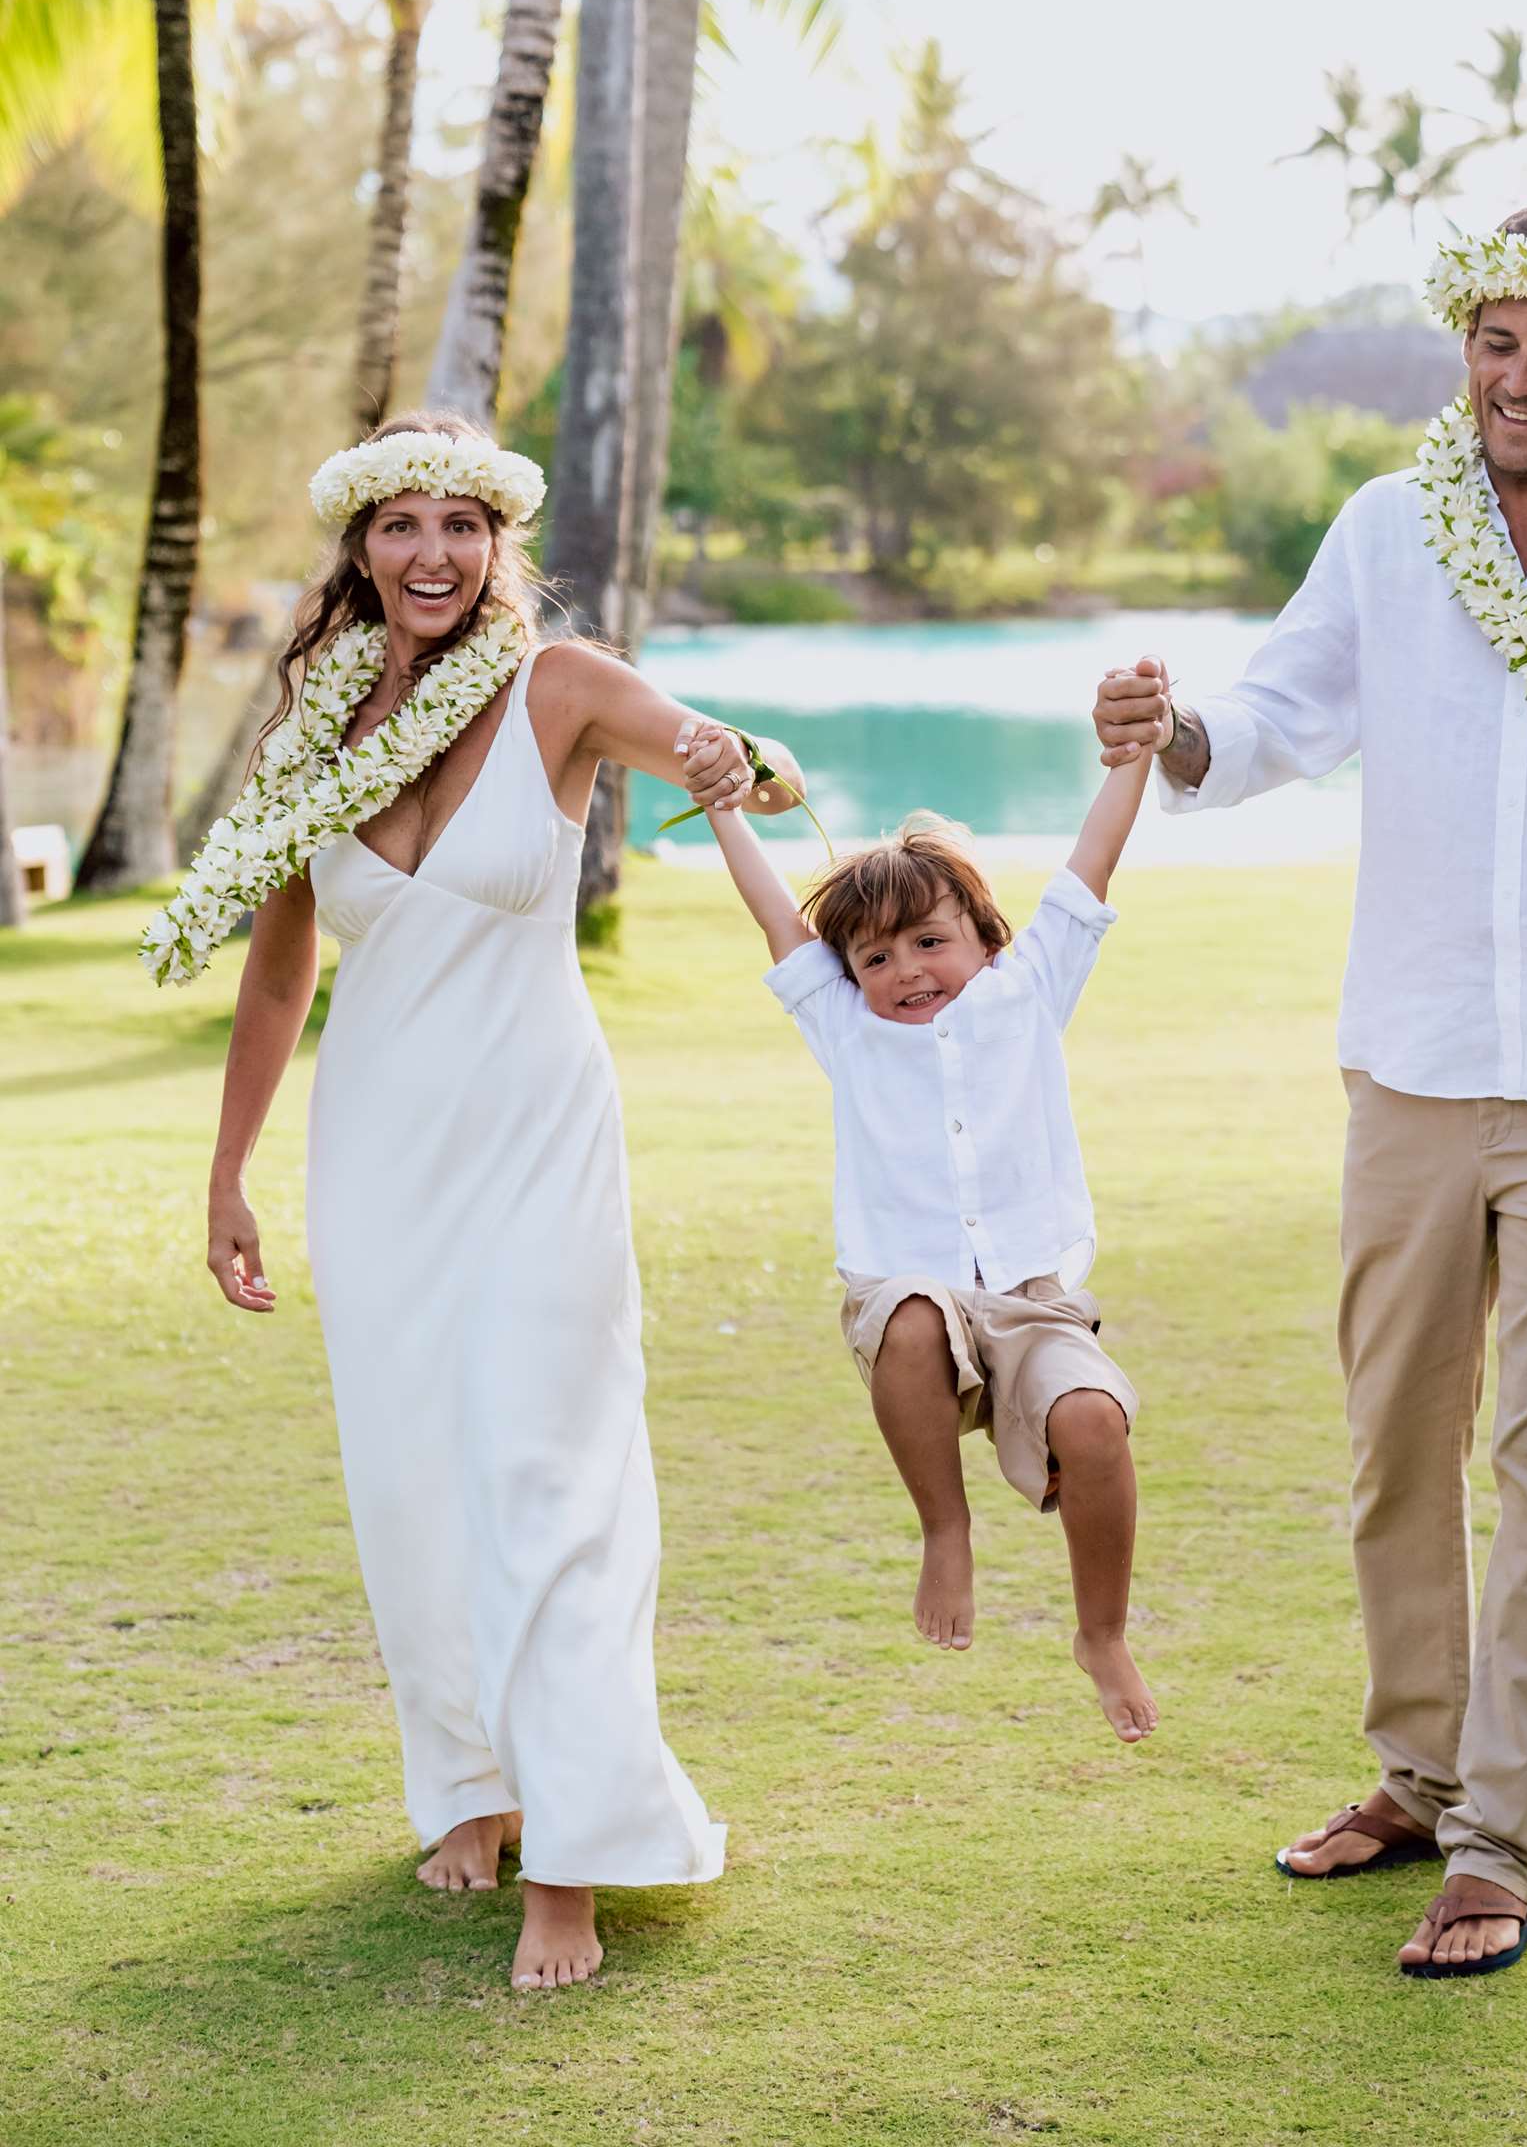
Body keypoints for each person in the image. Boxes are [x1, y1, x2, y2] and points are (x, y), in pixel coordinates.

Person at [1092, 201, 1527, 1977]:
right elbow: (1276, 716)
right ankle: (1416, 1770)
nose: (1521, 381)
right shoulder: (1385, 532)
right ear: (1463, 347)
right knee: (1392, 1439)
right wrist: (1171, 732)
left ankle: (1500, 1841)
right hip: (1407, 1060)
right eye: (1499, 344)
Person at [154, 411, 804, 1992]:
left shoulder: (560, 688)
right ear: (358, 548)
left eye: (461, 524)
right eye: (399, 526)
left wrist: (743, 763)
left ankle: (572, 1860)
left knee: (543, 1469)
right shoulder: (317, 712)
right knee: (415, 1473)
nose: (431, 554)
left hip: (535, 1135)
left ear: (499, 541)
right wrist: (231, 1169)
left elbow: (741, 760)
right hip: (378, 1140)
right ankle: (470, 1783)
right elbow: (282, 955)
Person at [699, 731, 1166, 1744]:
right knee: (913, 1316)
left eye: (928, 942)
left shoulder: (1028, 991)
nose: (906, 971)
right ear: (848, 974)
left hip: (1033, 1296)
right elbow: (776, 918)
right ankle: (945, 1532)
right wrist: (726, 809)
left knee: (1092, 1421)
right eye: (875, 957)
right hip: (907, 1295)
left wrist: (1135, 755)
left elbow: (1091, 865)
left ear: (986, 939)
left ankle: (1102, 1633)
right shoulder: (846, 1027)